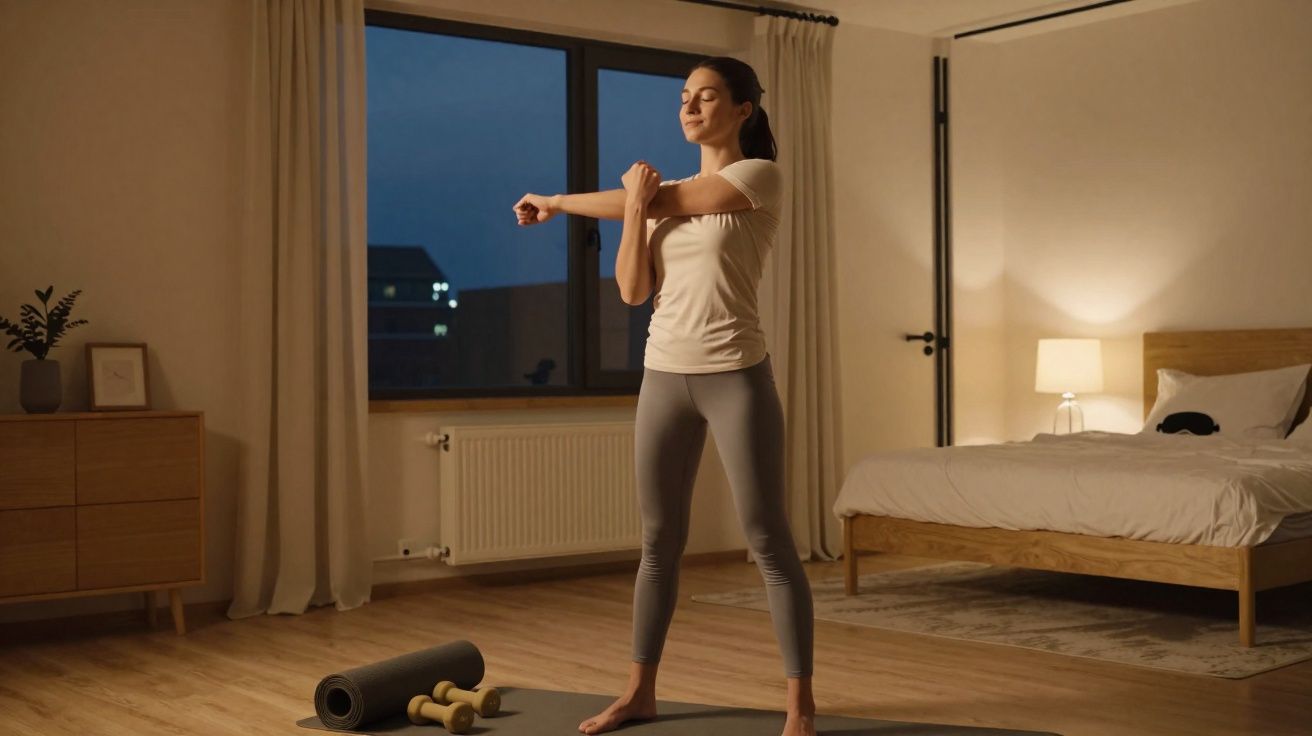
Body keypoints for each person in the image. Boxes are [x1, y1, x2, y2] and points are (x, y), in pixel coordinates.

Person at [512, 56, 816, 736]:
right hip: (664, 378)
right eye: (685, 97)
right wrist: (614, 210)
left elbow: (675, 200)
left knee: (767, 539)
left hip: (736, 375)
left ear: (742, 110)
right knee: (657, 541)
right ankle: (638, 692)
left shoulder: (756, 177)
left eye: (707, 97)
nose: (691, 107)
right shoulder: (656, 201)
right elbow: (631, 291)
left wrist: (596, 200)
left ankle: (800, 707)